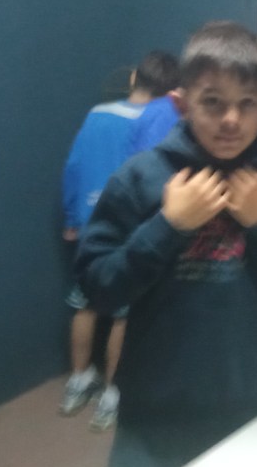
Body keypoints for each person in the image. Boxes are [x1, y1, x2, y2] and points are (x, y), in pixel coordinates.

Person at [75, 21, 257, 467]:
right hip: (154, 414)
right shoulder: (140, 179)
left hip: (248, 407)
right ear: (182, 102)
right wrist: (168, 225)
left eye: (246, 104)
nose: (232, 120)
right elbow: (101, 289)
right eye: (213, 102)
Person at [59, 50, 179, 431]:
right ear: (172, 91)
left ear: (132, 79)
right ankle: (113, 394)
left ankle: (79, 379)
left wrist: (71, 217)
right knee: (124, 317)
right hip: (130, 229)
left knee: (86, 304)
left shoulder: (97, 114)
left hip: (89, 225)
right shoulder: (162, 120)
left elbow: (74, 166)